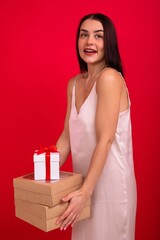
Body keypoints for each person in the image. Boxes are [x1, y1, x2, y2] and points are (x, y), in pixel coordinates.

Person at [55, 13, 137, 240]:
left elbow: (106, 139)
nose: (89, 41)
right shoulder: (73, 83)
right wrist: (44, 174)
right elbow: (66, 137)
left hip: (109, 186)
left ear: (108, 42)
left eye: (98, 36)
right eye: (84, 35)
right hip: (83, 184)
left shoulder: (110, 78)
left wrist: (85, 192)